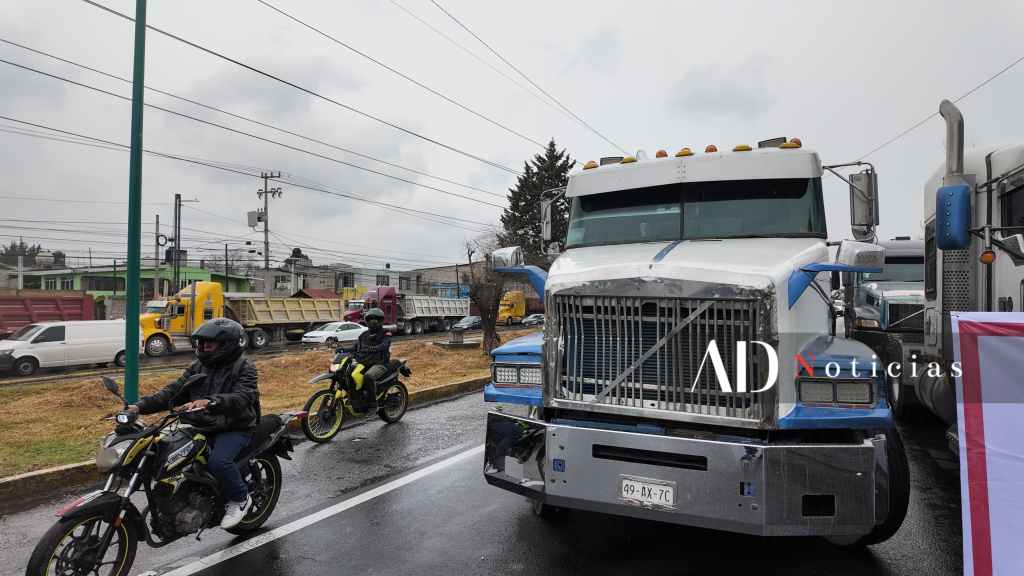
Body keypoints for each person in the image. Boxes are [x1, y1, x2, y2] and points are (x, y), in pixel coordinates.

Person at [126, 318, 260, 530]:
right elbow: (173, 392)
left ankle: (240, 499)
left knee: (219, 462)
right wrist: (139, 407)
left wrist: (213, 401)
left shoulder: (244, 367)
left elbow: (244, 396)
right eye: (201, 343)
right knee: (160, 452)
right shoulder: (198, 366)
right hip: (200, 424)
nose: (203, 347)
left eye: (209, 343)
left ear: (227, 345)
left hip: (234, 425)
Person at [351, 307, 392, 410]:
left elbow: (385, 345)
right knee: (349, 374)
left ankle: (373, 403)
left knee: (368, 376)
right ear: (367, 320)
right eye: (370, 319)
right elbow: (355, 347)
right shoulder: (363, 335)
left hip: (380, 363)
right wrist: (341, 349)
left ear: (381, 320)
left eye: (376, 319)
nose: (373, 321)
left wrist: (373, 348)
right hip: (365, 362)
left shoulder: (385, 333)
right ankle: (358, 399)